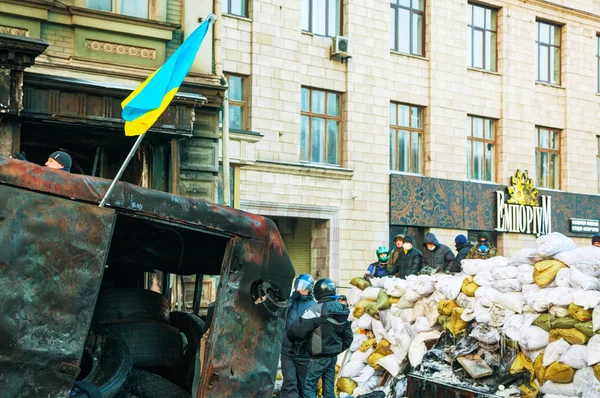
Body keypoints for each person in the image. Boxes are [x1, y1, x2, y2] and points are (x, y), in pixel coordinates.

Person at [287, 278, 353, 398]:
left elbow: (295, 331)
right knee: (329, 390)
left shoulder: (316, 310)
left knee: (309, 388)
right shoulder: (343, 309)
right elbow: (348, 338)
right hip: (332, 357)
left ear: (317, 292)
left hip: (317, 357)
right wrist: (336, 349)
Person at [281, 274, 317, 398]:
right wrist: (290, 300)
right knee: (289, 384)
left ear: (310, 289)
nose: (300, 290)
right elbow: (279, 314)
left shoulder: (314, 305)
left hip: (304, 353)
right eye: (298, 286)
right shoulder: (288, 303)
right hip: (287, 351)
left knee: (304, 385)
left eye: (304, 287)